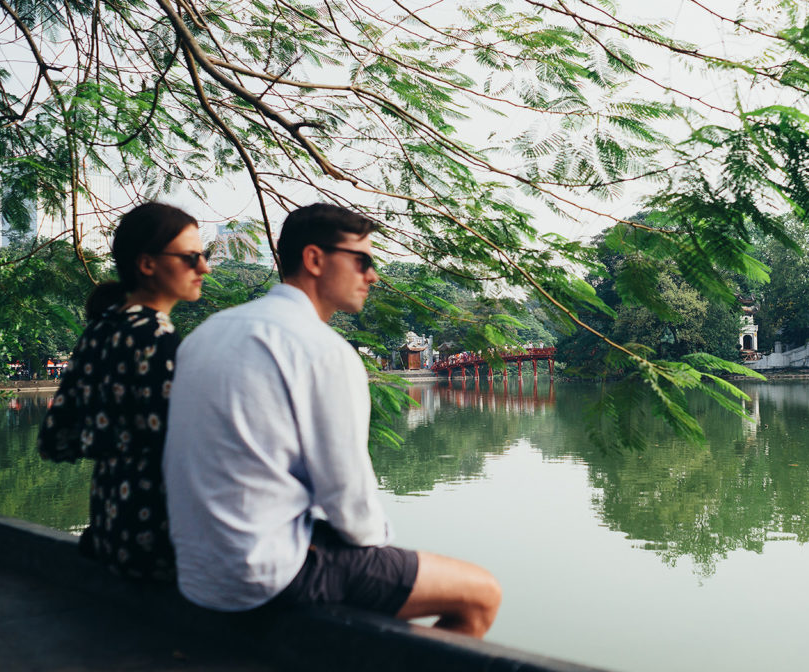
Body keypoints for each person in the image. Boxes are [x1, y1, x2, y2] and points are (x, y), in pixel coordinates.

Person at [163, 204, 501, 637]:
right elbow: (350, 504)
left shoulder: (206, 332)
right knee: (480, 593)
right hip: (261, 574)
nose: (372, 275)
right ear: (314, 259)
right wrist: (379, 553)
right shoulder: (323, 350)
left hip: (194, 568)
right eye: (362, 261)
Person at [38, 202, 211, 580]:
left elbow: (57, 439)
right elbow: (187, 453)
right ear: (147, 264)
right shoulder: (156, 337)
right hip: (158, 541)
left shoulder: (102, 327)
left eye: (204, 255)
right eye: (190, 257)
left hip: (109, 528)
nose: (204, 267)